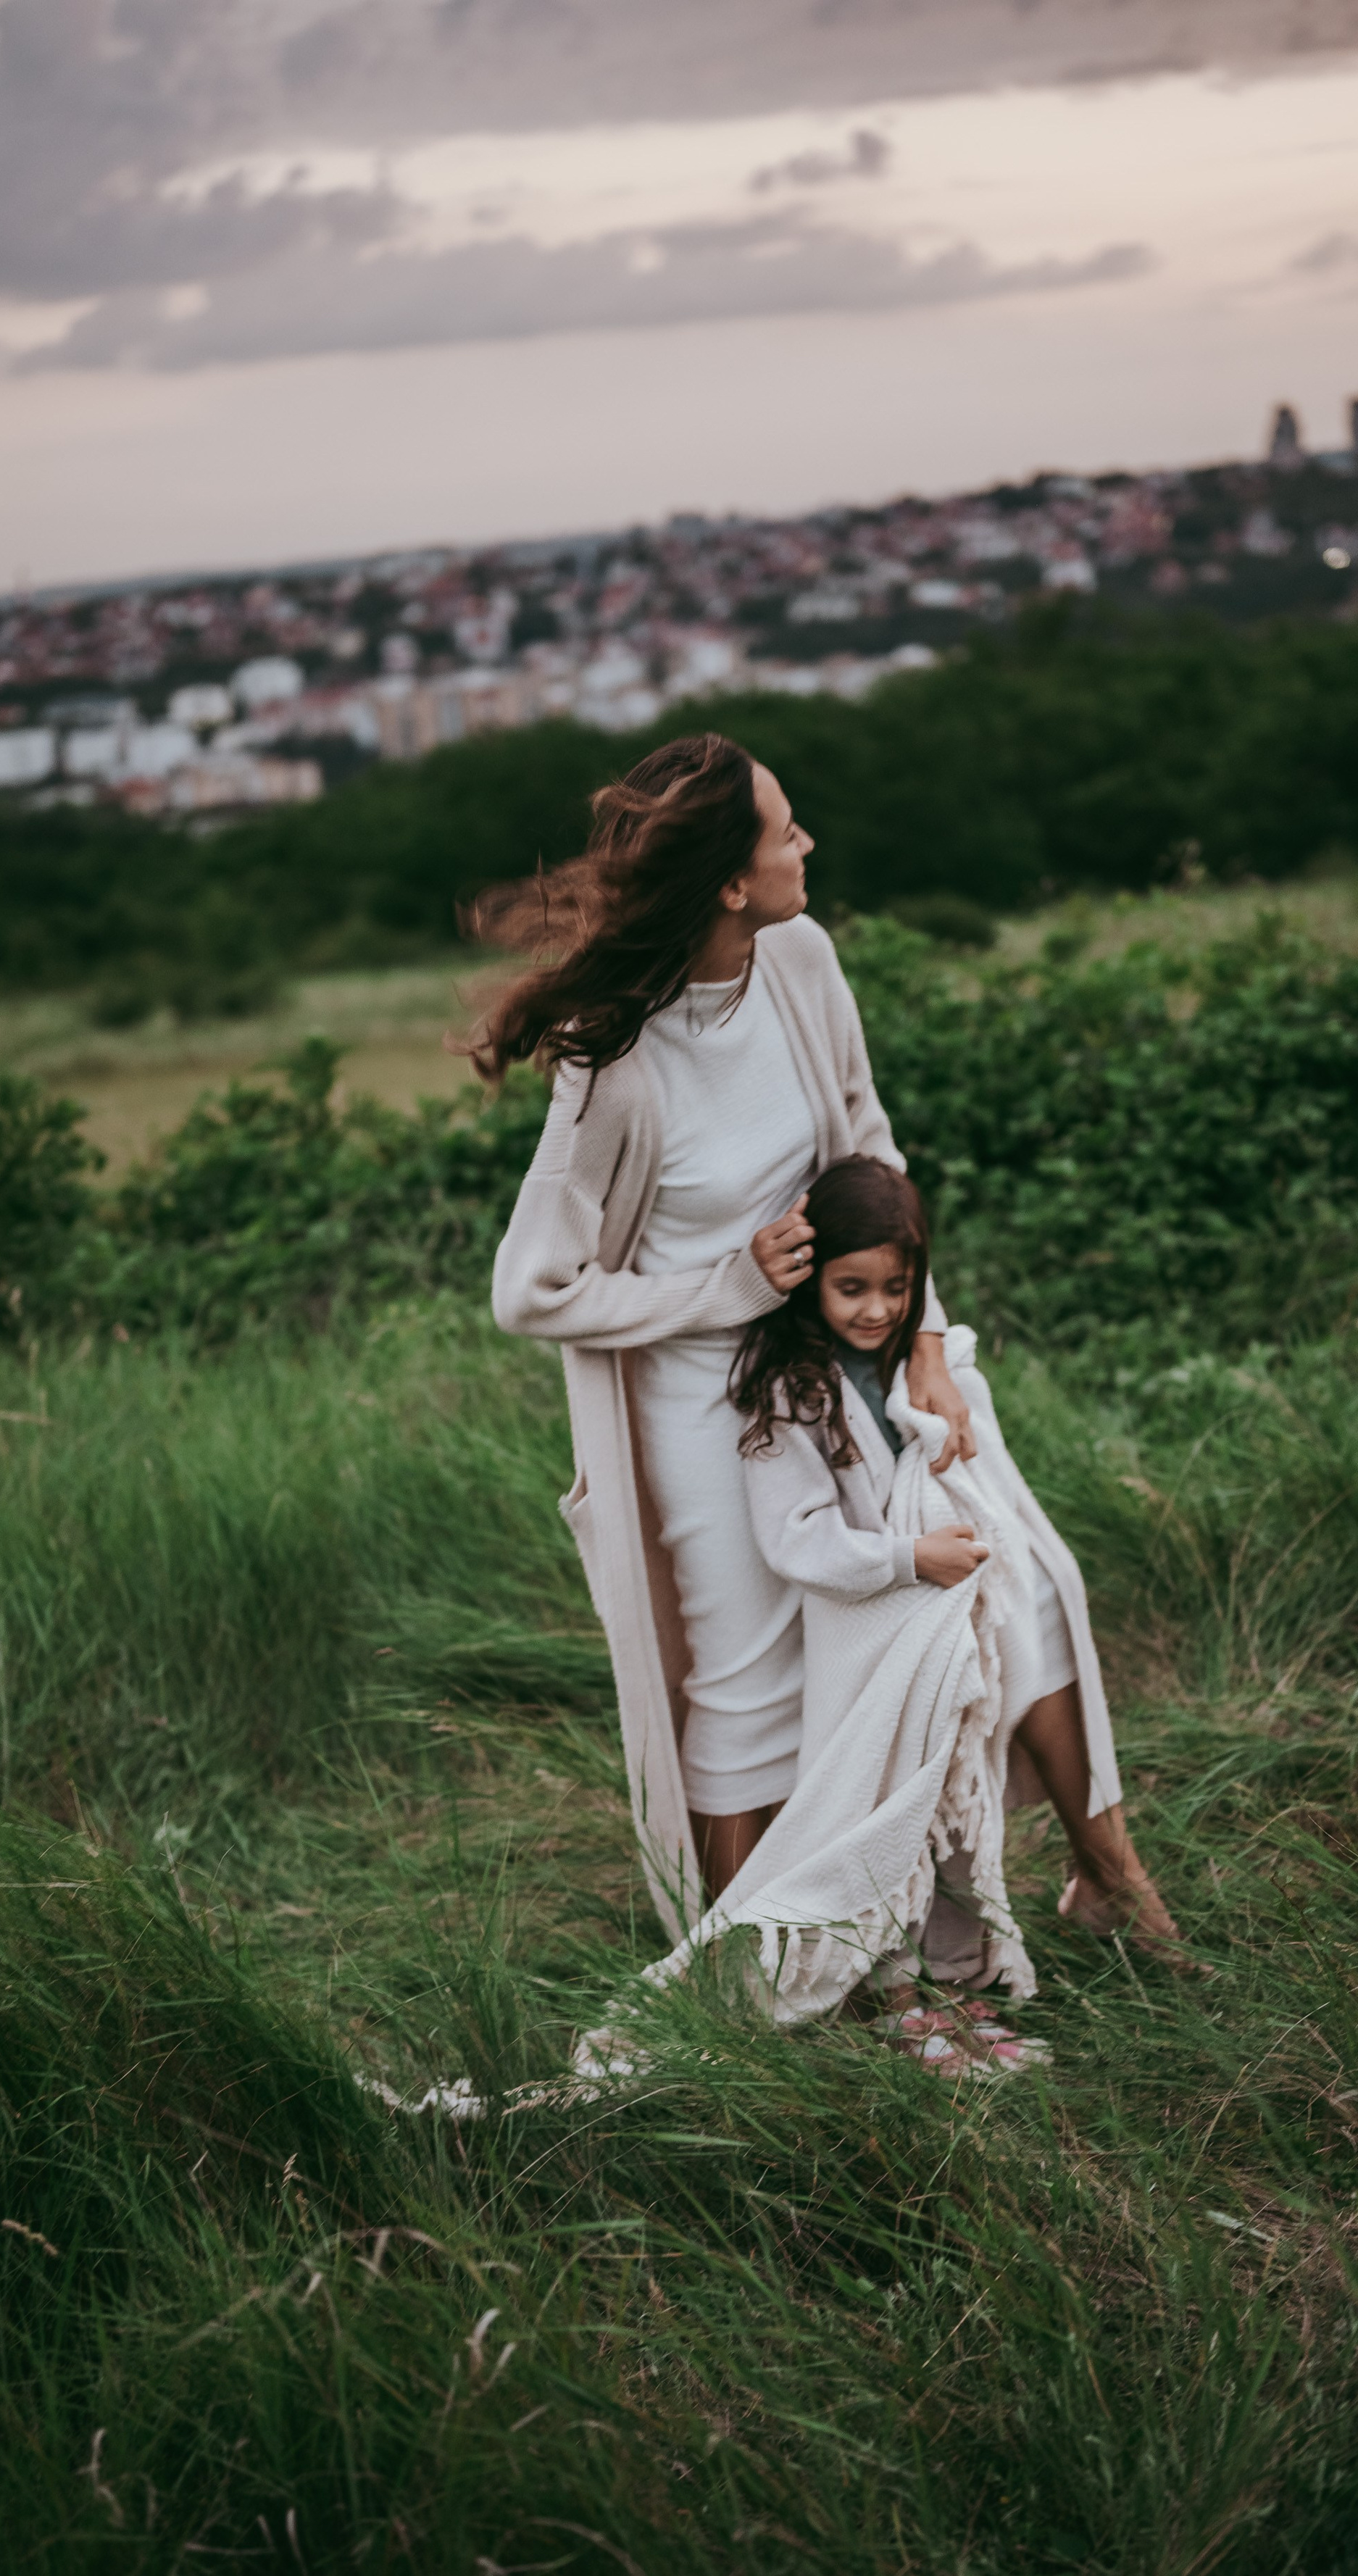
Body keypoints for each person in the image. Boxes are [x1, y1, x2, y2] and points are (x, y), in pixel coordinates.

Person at [483, 733, 975, 1944]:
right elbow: (528, 1291)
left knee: (886, 1631)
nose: (807, 842)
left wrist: (926, 1334)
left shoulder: (799, 956)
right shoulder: (612, 1057)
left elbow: (865, 1135)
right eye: (783, 830)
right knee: (747, 1680)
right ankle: (740, 1968)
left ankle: (865, 1935)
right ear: (729, 883)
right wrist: (721, 1290)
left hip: (831, 1363)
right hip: (698, 1399)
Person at [723, 1154, 1185, 2022]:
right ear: (810, 1281)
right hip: (877, 1612)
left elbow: (982, 1489)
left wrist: (953, 1545)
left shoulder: (935, 1370)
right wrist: (908, 1558)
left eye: (896, 1288)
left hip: (958, 1590)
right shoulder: (790, 1390)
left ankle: (1041, 1918)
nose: (876, 1309)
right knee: (914, 1764)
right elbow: (796, 1537)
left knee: (1029, 1630)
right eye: (851, 1288)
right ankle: (908, 1974)